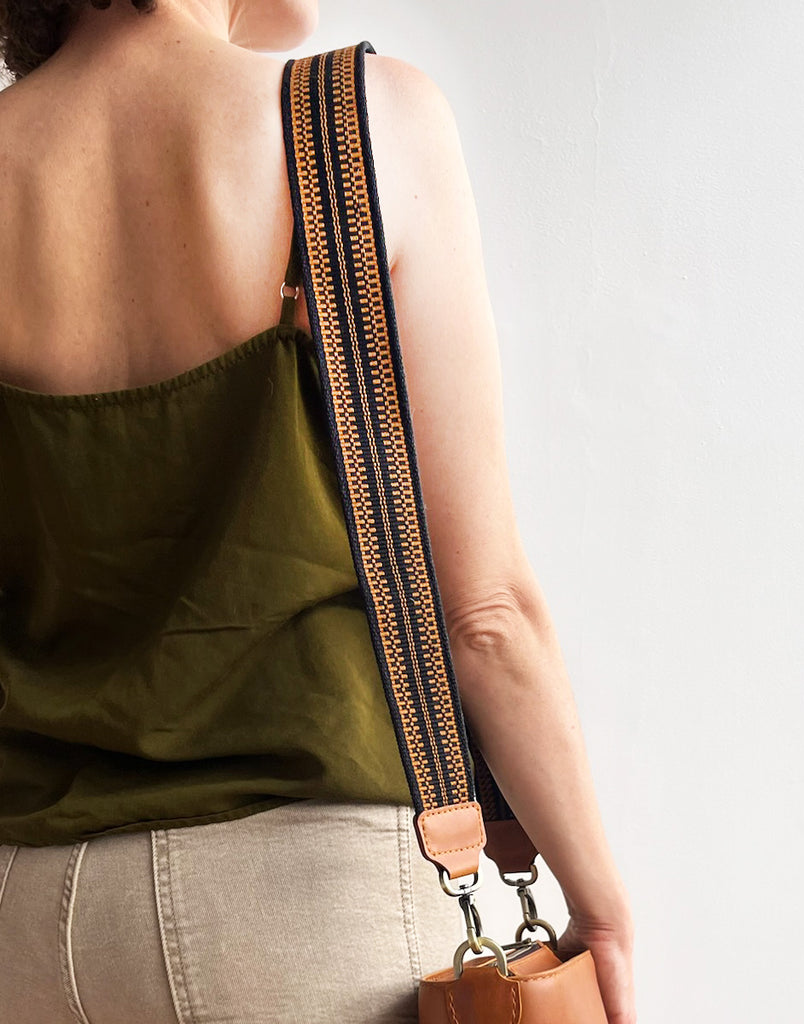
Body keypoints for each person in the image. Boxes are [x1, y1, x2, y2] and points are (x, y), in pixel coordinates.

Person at [0, 2, 637, 1022]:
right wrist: (601, 909)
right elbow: (485, 615)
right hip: (304, 905)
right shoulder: (354, 125)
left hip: (27, 915)